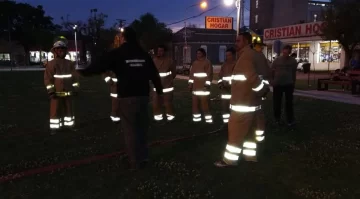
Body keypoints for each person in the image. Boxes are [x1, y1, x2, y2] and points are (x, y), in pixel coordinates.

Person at [78, 27, 163, 170]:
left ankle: (135, 162)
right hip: (143, 97)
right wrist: (159, 91)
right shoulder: (143, 55)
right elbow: (154, 74)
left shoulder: (119, 53)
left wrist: (85, 72)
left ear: (124, 38)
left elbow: (101, 64)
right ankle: (144, 157)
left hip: (127, 97)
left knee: (130, 130)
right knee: (142, 129)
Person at [214, 32, 269, 167]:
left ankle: (229, 160)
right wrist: (262, 92)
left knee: (235, 133)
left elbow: (252, 78)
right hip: (252, 104)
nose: (235, 43)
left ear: (246, 42)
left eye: (238, 41)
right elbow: (263, 75)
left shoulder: (245, 57)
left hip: (242, 105)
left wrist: (261, 91)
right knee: (249, 134)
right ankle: (250, 157)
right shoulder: (256, 55)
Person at [44, 36, 80, 135]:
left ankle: (70, 126)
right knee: (55, 111)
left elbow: (75, 77)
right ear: (55, 51)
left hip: (68, 92)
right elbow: (48, 79)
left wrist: (76, 88)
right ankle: (54, 128)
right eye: (58, 49)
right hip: (56, 93)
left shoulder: (70, 63)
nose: (61, 50)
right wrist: (51, 91)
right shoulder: (51, 64)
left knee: (69, 111)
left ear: (65, 50)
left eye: (62, 49)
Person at [271, 45, 298, 126]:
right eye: (284, 52)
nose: (285, 53)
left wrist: (293, 82)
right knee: (277, 102)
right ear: (283, 51)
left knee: (289, 103)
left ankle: (290, 120)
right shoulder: (277, 60)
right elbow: (272, 71)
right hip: (278, 84)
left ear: (289, 52)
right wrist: (272, 80)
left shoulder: (293, 61)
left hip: (288, 84)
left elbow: (293, 73)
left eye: (287, 52)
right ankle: (277, 119)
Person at [252, 41, 271, 143]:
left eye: (262, 47)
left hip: (259, 86)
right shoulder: (256, 56)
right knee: (258, 110)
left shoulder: (260, 56)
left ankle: (258, 130)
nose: (261, 48)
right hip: (257, 86)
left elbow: (266, 71)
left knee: (258, 109)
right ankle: (258, 131)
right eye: (260, 46)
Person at [188, 48, 214, 123]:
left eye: (199, 53)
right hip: (195, 89)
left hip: (203, 89)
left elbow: (209, 75)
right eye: (197, 53)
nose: (198, 55)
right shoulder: (194, 63)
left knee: (205, 105)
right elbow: (191, 75)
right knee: (195, 105)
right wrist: (190, 84)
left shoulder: (207, 62)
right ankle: (197, 120)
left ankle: (208, 120)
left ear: (203, 53)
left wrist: (206, 85)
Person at [152, 45, 177, 121]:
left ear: (164, 52)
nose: (160, 52)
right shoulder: (154, 61)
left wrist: (168, 80)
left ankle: (170, 116)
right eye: (159, 51)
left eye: (162, 51)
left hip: (167, 86)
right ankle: (158, 116)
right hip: (156, 86)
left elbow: (174, 72)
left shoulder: (169, 61)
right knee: (156, 102)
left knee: (168, 102)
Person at [217, 47, 236, 124]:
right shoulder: (224, 65)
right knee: (224, 108)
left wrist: (230, 85)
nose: (228, 57)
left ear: (234, 55)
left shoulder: (237, 64)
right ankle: (225, 124)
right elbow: (220, 76)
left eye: (229, 55)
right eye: (226, 55)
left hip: (234, 91)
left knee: (233, 108)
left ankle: (233, 123)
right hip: (225, 91)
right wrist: (220, 84)